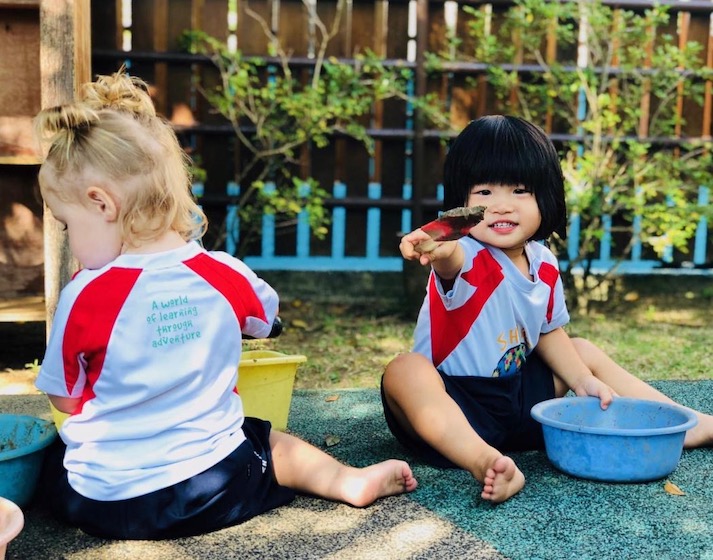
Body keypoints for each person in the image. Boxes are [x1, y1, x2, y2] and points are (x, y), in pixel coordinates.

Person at [33, 69, 417, 540]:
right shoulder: (221, 273)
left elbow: (64, 400)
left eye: (68, 225)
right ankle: (347, 480)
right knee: (263, 437)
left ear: (101, 204)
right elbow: (264, 321)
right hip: (216, 488)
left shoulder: (84, 295)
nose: (71, 241)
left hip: (106, 504)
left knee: (55, 458)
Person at [381, 115, 713, 504]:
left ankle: (684, 423)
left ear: (546, 197)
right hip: (454, 411)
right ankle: (486, 462)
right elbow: (451, 260)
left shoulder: (544, 263)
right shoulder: (467, 255)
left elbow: (547, 333)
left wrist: (582, 380)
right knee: (404, 369)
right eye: (484, 192)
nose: (500, 206)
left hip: (522, 405)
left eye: (520, 190)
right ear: (462, 204)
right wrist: (436, 246)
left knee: (581, 351)